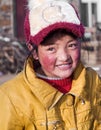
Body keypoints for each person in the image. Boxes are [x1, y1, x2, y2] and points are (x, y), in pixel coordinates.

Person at [0, 0, 101, 129]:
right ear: (34, 51)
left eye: (71, 45)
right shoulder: (11, 97)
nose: (64, 57)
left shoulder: (92, 83)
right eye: (51, 49)